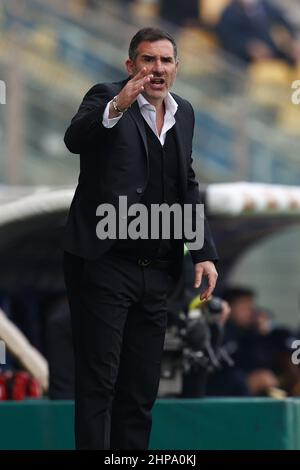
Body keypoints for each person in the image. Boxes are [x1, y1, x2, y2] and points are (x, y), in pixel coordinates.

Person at [63, 27, 218, 450]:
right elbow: (75, 139)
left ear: (176, 68)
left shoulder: (184, 111)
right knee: (99, 384)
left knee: (141, 390)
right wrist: (119, 104)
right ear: (131, 65)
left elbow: (186, 182)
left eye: (166, 61)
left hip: (158, 270)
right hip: (106, 261)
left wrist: (202, 252)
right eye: (148, 60)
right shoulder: (105, 96)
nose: (157, 69)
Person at [215, 0, 300, 65]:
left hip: (279, 56)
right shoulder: (230, 13)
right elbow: (229, 38)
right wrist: (248, 47)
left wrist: (292, 42)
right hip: (247, 62)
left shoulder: (266, 7)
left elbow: (284, 23)